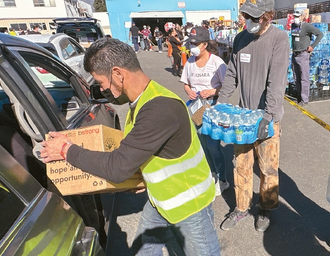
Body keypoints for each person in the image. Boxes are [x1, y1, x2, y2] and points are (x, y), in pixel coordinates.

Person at [40, 38, 220, 256]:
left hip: (190, 207)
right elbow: (148, 152)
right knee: (144, 252)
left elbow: (118, 167)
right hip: (161, 201)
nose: (102, 89)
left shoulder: (159, 109)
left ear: (118, 73)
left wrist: (65, 150)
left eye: (101, 82)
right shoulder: (142, 102)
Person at [217, 0, 290, 232]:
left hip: (268, 118)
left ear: (268, 16)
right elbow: (231, 75)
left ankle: (266, 208)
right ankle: (241, 208)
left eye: (255, 17)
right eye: (246, 15)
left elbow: (276, 81)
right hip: (244, 117)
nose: (249, 21)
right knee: (241, 164)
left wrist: (268, 116)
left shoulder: (279, 39)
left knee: (268, 168)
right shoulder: (240, 39)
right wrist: (220, 104)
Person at [180, 27, 229, 196]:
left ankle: (223, 180)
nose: (192, 46)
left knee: (214, 146)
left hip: (212, 107)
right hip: (196, 108)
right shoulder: (189, 62)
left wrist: (212, 91)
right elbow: (185, 83)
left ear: (205, 45)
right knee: (203, 146)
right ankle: (212, 174)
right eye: (191, 43)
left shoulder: (217, 62)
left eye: (196, 43)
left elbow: (226, 87)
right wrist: (188, 91)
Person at [291, 9, 323, 106]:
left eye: (298, 16)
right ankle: (299, 97)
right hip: (295, 54)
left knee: (304, 78)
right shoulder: (293, 26)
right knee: (296, 77)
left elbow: (320, 34)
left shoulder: (307, 26)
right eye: (295, 16)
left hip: (303, 54)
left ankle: (304, 100)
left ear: (303, 16)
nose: (296, 18)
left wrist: (312, 46)